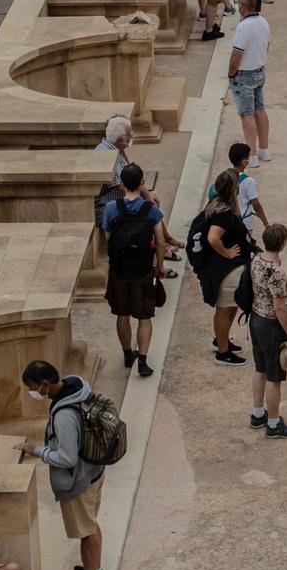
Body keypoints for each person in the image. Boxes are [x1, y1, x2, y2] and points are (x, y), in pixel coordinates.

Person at [16, 359, 108, 570]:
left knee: (86, 530)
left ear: (45, 384)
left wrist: (36, 450)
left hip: (78, 480)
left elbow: (66, 458)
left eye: (34, 387)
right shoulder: (77, 385)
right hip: (93, 471)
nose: (33, 392)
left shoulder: (65, 414)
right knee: (90, 524)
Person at [101, 162, 163, 377]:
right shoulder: (151, 210)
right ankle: (143, 360)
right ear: (142, 182)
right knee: (144, 315)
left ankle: (128, 353)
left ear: (122, 184)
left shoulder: (111, 209)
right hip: (143, 268)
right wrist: (160, 266)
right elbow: (160, 242)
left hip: (119, 269)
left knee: (122, 313)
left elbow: (107, 238)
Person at [95, 117, 182, 266]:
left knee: (150, 205)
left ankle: (165, 239)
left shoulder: (115, 148)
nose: (131, 138)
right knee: (146, 212)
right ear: (121, 139)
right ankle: (159, 251)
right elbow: (123, 188)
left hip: (119, 199)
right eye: (129, 135)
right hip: (106, 206)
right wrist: (142, 201)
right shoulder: (107, 154)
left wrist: (147, 195)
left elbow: (130, 177)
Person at [247, 223, 287, 438]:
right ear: (283, 243)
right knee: (274, 377)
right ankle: (273, 423)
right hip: (271, 325)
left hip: (256, 318)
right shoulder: (276, 272)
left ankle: (258, 413)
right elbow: (280, 307)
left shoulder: (256, 260)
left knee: (260, 369)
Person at [199, 169, 254, 365]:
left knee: (231, 308)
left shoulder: (219, 204)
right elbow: (213, 238)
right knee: (224, 310)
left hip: (227, 269)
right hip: (225, 270)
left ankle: (222, 341)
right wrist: (227, 252)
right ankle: (223, 352)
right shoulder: (223, 213)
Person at [228, 0, 272, 162]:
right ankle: (264, 150)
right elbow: (266, 46)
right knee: (260, 110)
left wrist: (232, 74)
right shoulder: (263, 22)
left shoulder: (243, 27)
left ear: (243, 6)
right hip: (259, 71)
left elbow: (236, 55)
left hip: (244, 75)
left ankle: (251, 155)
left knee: (247, 115)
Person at [211, 140, 269, 229]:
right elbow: (256, 205)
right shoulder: (248, 181)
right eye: (248, 157)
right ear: (244, 162)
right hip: (244, 222)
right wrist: (265, 223)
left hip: (228, 220)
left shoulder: (225, 177)